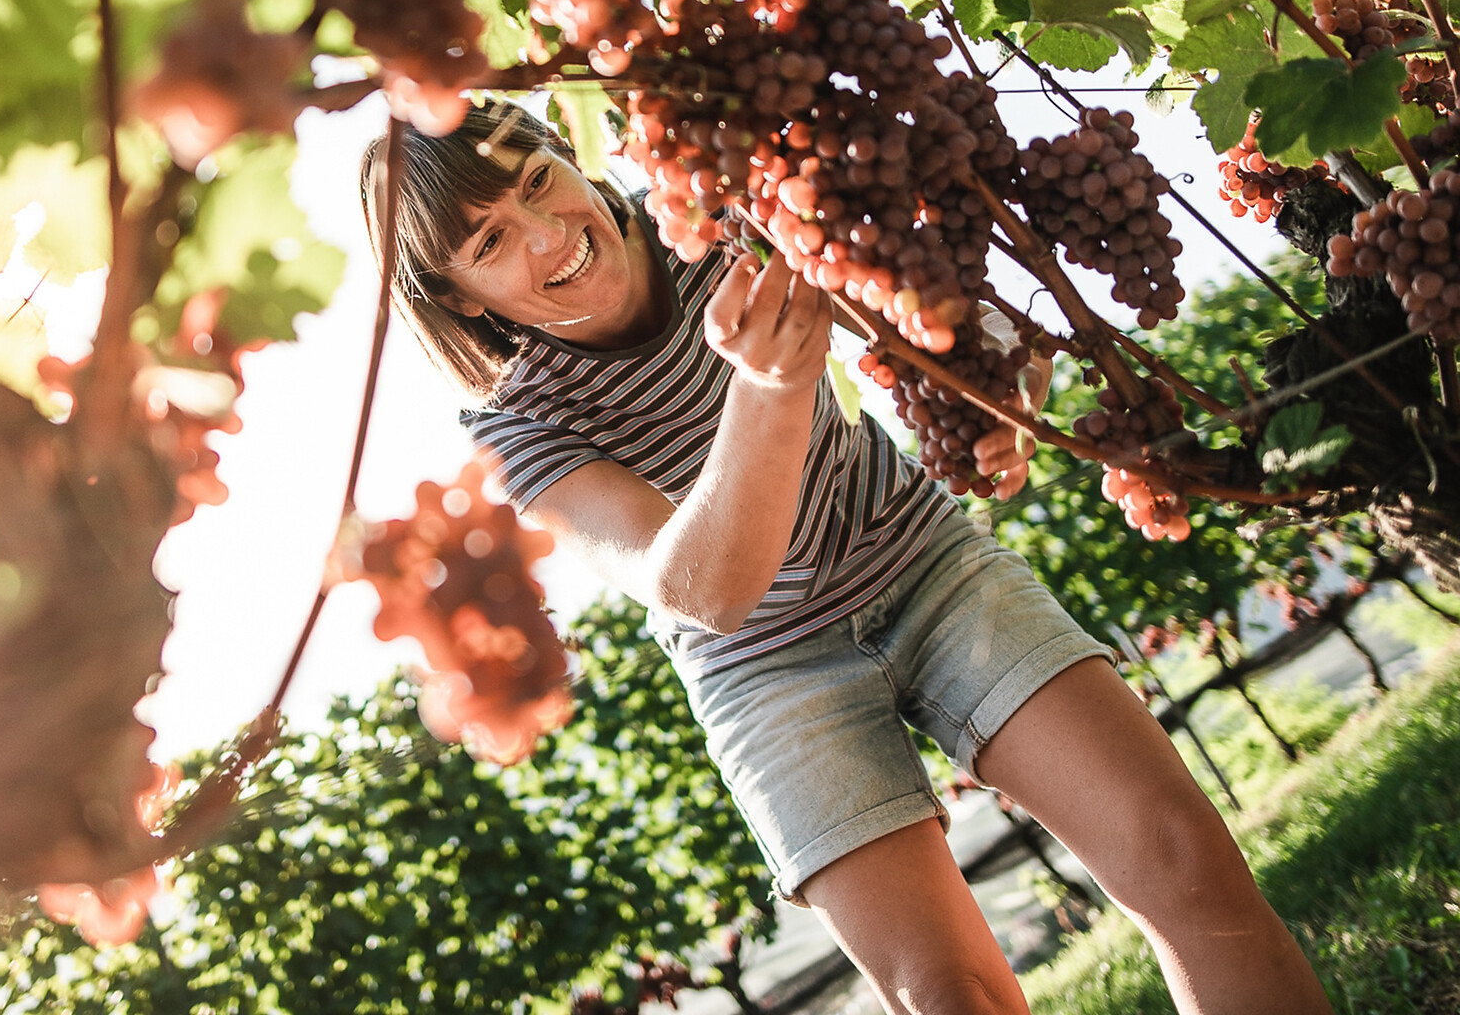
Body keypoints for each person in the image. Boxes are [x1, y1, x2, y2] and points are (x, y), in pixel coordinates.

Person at [360, 100, 1329, 1015]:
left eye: (535, 178)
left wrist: (994, 381)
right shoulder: (517, 425)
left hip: (919, 560)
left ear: (568, 151)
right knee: (953, 1000)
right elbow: (701, 588)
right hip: (764, 676)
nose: (544, 233)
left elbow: (926, 313)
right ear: (454, 295)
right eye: (488, 241)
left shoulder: (707, 205)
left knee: (1181, 860)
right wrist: (769, 387)